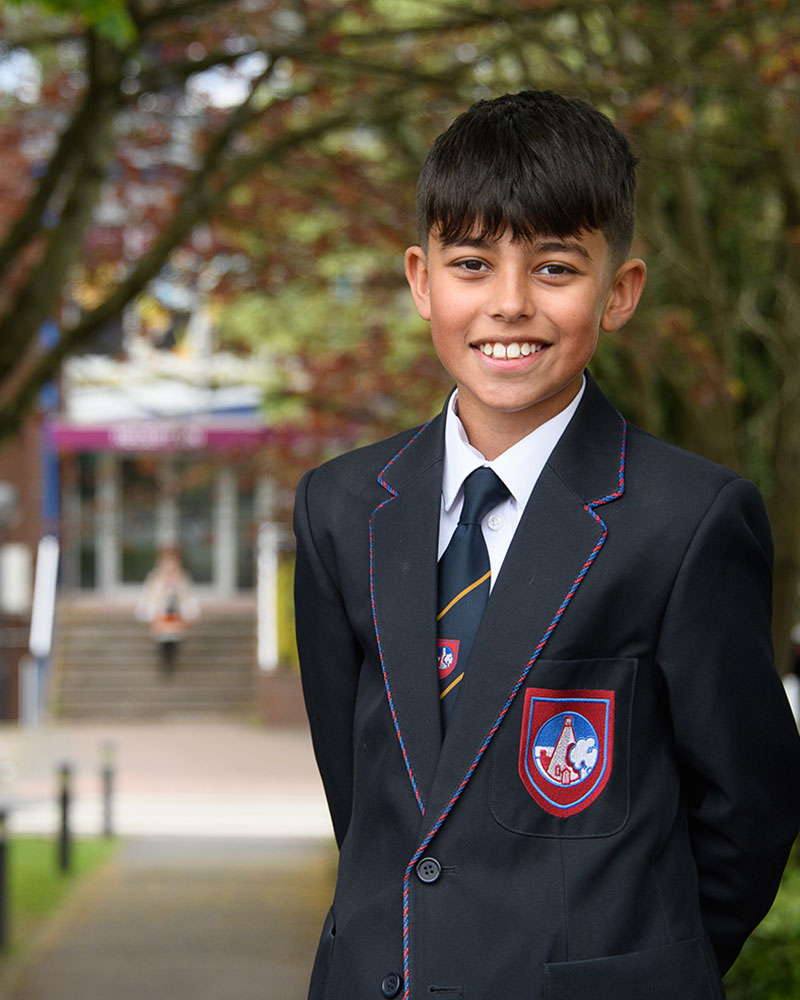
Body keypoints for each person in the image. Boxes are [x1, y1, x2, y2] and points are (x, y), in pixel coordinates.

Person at [293, 91, 800, 1000]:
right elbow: (364, 794)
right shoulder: (341, 509)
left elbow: (750, 811)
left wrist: (640, 967)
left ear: (621, 292)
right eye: (472, 264)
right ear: (421, 280)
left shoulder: (688, 519)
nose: (510, 304)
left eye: (557, 267)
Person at [136, 546, 199, 675]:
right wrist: (150, 615)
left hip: (177, 614)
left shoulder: (183, 578)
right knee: (163, 640)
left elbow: (188, 597)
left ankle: (170, 660)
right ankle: (165, 662)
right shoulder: (155, 578)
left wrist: (189, 615)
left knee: (174, 639)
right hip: (161, 614)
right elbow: (148, 597)